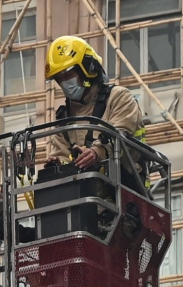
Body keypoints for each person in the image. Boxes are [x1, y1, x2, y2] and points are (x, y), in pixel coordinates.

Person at [45, 35, 148, 194]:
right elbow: (61, 154)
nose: (64, 83)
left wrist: (96, 152)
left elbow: (120, 133)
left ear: (87, 69)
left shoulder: (119, 97)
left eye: (68, 75)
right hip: (84, 202)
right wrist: (58, 166)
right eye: (59, 79)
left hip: (125, 194)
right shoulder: (64, 118)